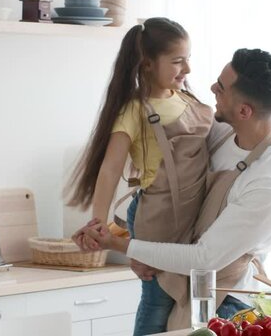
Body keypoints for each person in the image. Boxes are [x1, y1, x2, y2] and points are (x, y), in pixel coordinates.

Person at [76, 48, 271, 331]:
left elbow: (205, 258)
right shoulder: (220, 134)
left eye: (220, 88)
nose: (211, 89)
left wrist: (123, 246)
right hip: (184, 284)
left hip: (228, 303)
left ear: (245, 111)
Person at [65, 17, 214, 336]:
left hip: (192, 214)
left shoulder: (189, 100)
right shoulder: (134, 110)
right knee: (158, 299)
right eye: (177, 61)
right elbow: (110, 169)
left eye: (188, 59)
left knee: (186, 302)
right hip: (157, 217)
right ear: (147, 64)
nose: (186, 69)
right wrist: (98, 223)